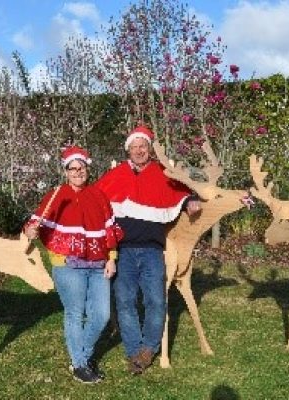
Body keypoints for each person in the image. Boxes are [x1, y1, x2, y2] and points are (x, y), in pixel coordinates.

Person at [95, 124, 200, 374]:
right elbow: (93, 198)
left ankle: (149, 347)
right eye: (135, 146)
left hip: (152, 250)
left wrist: (190, 200)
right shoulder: (116, 174)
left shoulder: (162, 173)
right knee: (125, 301)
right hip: (122, 251)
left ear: (149, 149)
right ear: (128, 149)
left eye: (143, 146)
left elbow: (183, 192)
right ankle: (135, 351)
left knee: (155, 300)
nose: (139, 150)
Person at [24, 145, 123, 383]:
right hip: (68, 265)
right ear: (66, 171)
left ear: (88, 169)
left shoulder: (98, 196)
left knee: (101, 315)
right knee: (75, 313)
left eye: (82, 168)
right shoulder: (56, 195)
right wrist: (30, 231)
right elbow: (34, 224)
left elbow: (109, 231)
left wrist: (112, 258)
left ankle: (83, 355)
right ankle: (79, 364)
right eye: (73, 168)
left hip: (98, 264)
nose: (78, 172)